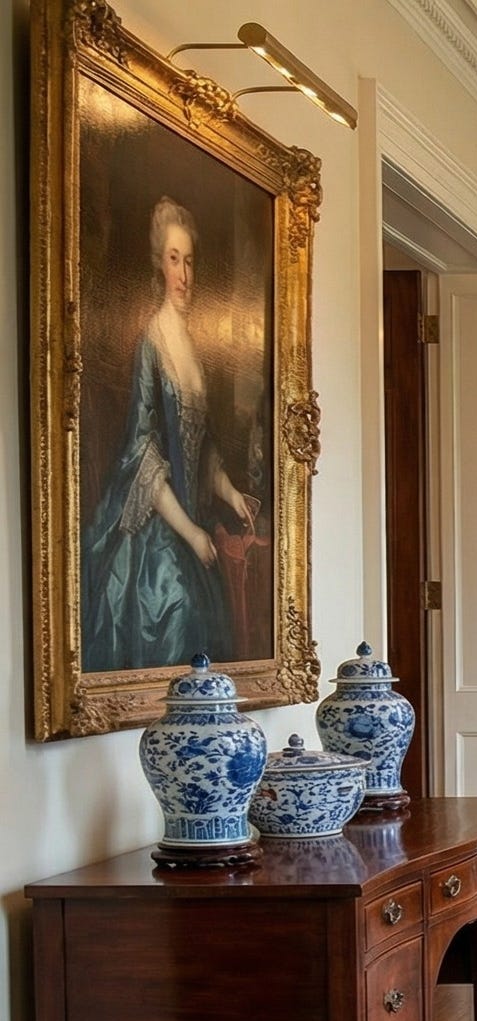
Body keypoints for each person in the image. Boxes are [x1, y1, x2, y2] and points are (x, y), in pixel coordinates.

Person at [80, 197, 259, 671]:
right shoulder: (152, 341)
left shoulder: (194, 348)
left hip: (192, 519)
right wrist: (191, 533)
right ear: (159, 265)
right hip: (158, 526)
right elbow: (143, 452)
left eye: (190, 261)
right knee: (177, 606)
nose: (184, 274)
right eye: (174, 260)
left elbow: (204, 448)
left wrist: (231, 493)